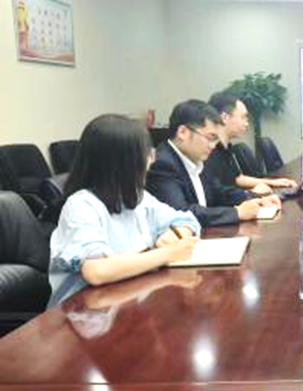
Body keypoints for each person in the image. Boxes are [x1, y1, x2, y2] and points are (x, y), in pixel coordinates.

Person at [49, 114, 201, 303]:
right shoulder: (82, 205)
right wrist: (166, 254)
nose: (151, 160)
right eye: (147, 153)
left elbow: (186, 220)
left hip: (128, 299)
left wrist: (173, 235)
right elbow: (97, 271)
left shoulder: (138, 197)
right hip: (81, 311)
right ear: (123, 162)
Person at [146, 100, 281, 227]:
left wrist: (254, 198)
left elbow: (218, 192)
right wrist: (237, 212)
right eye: (210, 138)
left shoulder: (195, 157)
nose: (213, 146)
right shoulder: (162, 164)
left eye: (216, 140)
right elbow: (182, 212)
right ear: (183, 132)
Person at [205, 92, 297, 196]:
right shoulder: (208, 152)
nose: (247, 123)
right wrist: (251, 194)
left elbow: (236, 179)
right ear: (225, 118)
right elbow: (216, 194)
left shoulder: (225, 148)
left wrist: (272, 182)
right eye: (243, 117)